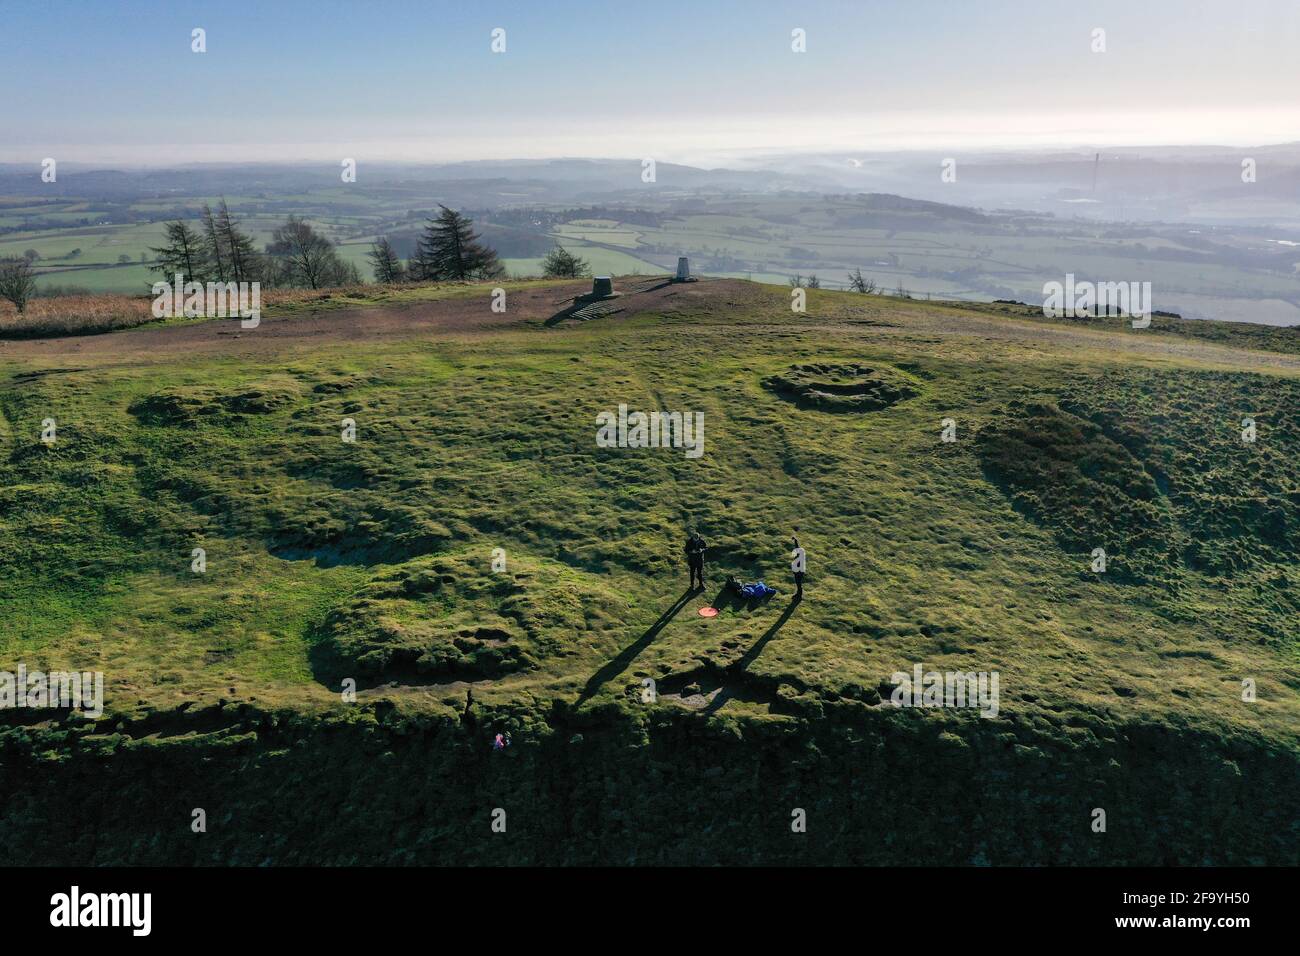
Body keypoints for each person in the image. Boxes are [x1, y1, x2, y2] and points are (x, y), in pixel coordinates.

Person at [790, 527, 806, 600]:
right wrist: (795, 540)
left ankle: (799, 595)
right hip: (798, 572)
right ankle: (798, 594)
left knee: (798, 584)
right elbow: (797, 547)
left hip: (799, 573)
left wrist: (795, 572)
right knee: (798, 584)